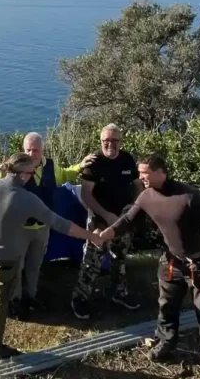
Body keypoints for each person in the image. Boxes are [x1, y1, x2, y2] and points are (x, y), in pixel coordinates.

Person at [0, 153, 112, 361]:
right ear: (21, 174)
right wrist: (93, 237)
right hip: (6, 259)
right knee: (0, 302)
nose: (32, 176)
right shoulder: (28, 200)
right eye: (31, 173)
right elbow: (61, 224)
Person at [103, 153, 200, 379]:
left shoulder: (189, 195)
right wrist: (107, 233)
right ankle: (167, 341)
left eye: (145, 173)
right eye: (139, 173)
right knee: (167, 306)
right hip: (171, 261)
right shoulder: (146, 196)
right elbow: (128, 219)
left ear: (161, 172)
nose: (140, 178)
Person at [0, 132, 95, 319]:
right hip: (18, 228)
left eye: (36, 150)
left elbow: (64, 174)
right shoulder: (15, 167)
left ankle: (31, 297)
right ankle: (15, 301)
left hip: (42, 228)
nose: (31, 154)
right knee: (16, 267)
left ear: (43, 150)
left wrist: (80, 166)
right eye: (28, 150)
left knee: (34, 265)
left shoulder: (50, 165)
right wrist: (2, 172)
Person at [71, 123, 144, 320]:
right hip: (99, 221)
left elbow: (138, 185)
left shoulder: (127, 159)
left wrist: (133, 207)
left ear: (121, 141)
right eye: (106, 140)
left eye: (114, 140)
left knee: (120, 257)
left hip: (123, 219)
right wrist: (106, 215)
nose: (110, 144)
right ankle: (80, 297)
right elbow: (86, 195)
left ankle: (119, 292)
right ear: (101, 141)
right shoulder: (94, 162)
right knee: (92, 260)